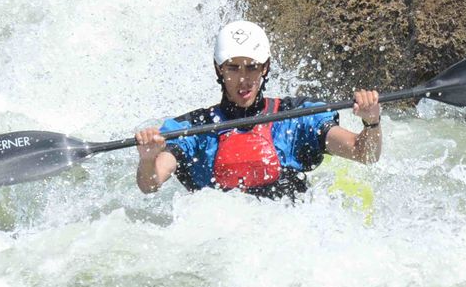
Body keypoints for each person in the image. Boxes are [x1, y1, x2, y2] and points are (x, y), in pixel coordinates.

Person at [135, 20, 381, 198]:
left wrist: (371, 121)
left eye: (252, 67)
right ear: (219, 69)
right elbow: (151, 183)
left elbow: (364, 154)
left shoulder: (295, 118)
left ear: (265, 67)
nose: (244, 79)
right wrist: (147, 159)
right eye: (233, 68)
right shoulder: (195, 129)